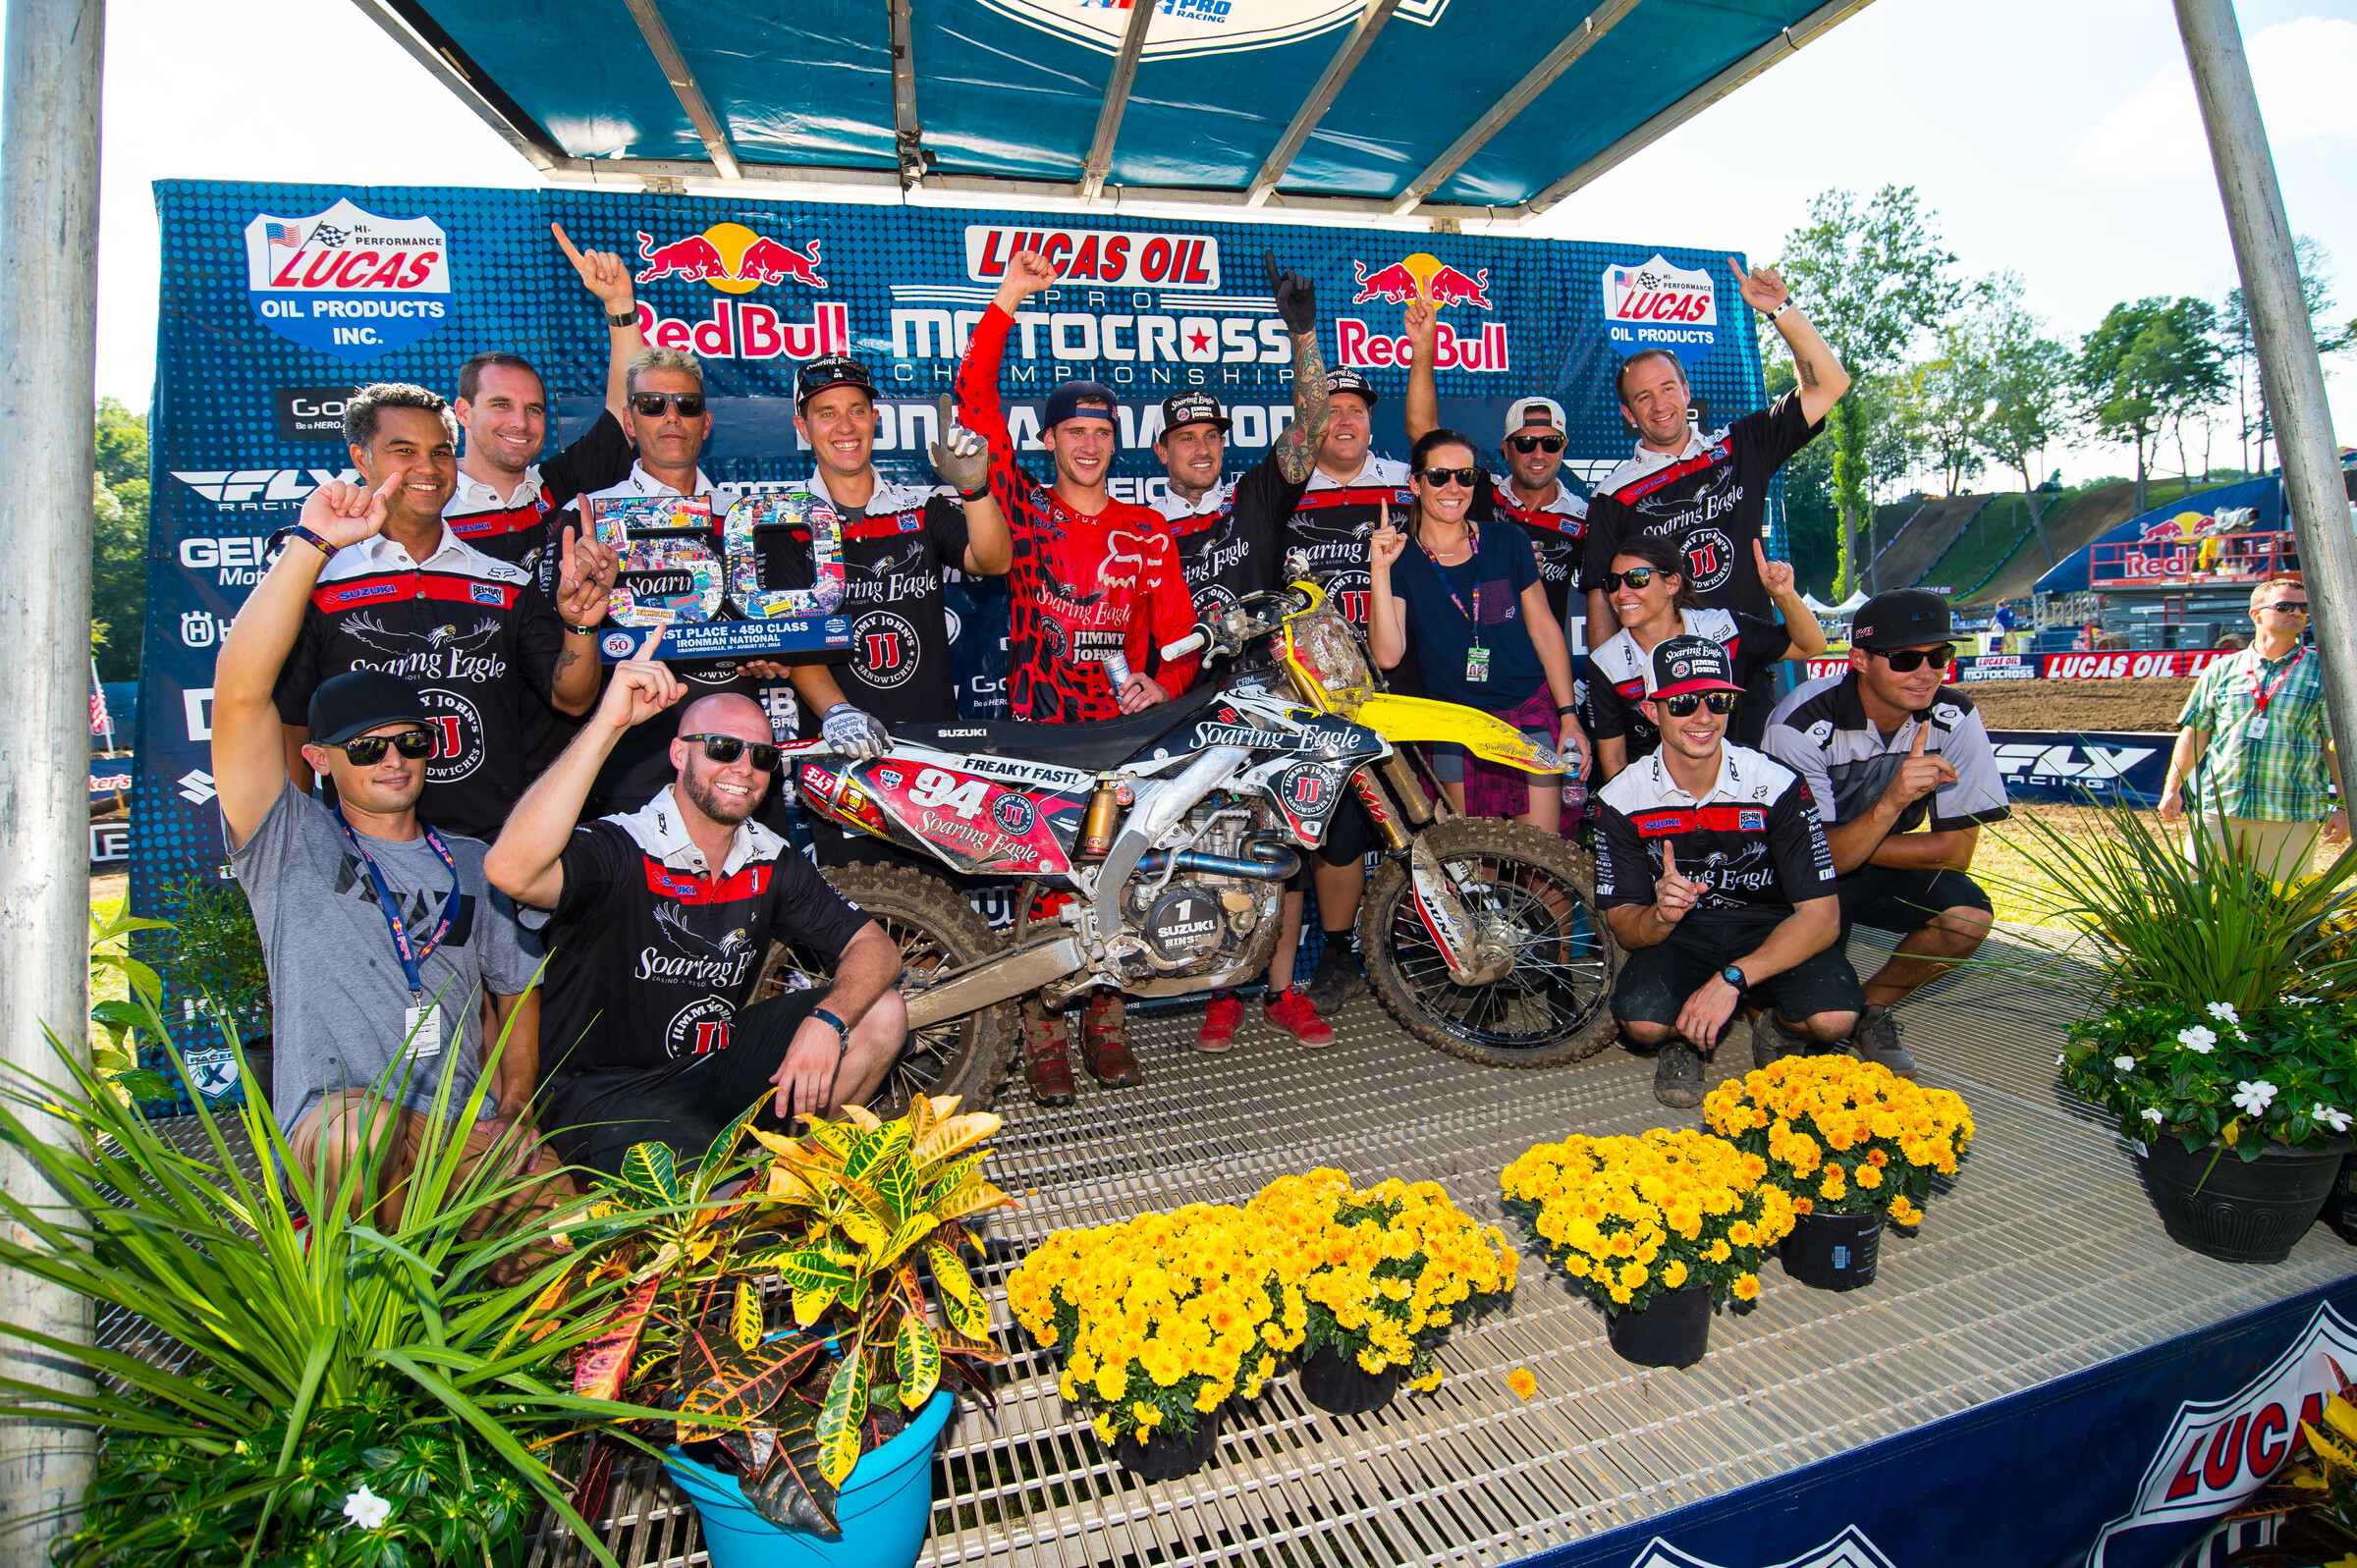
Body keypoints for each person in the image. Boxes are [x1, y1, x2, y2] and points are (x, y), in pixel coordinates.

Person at [213, 470, 561, 1241]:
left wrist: (517, 1104)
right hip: (339, 1124)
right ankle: (351, 1280)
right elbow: (239, 696)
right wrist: (310, 547)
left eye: (411, 741)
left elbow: (516, 989)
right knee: (360, 1133)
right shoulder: (290, 845)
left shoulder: (475, 862)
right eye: (366, 747)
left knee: (582, 1246)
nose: (394, 759)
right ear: (322, 758)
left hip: (458, 1134)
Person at [483, 638, 908, 1177]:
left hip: (713, 1071)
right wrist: (607, 726)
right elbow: (510, 870)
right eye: (724, 749)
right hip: (611, 1099)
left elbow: (875, 950)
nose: (744, 768)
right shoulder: (623, 846)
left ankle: (803, 1179)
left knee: (879, 1013)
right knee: (720, 1222)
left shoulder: (767, 856)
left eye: (761, 756)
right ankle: (736, 1192)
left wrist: (828, 1019)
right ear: (680, 753)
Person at [957, 248, 1202, 1104]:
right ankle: (1042, 1030)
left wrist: (1164, 690)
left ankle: (1106, 1018)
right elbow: (974, 405)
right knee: (1044, 883)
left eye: (1102, 432)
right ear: (1049, 439)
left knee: (1117, 879)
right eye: (1073, 432)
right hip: (1039, 732)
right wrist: (1007, 301)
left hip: (1124, 738)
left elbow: (1178, 641)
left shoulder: (1148, 530)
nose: (1089, 444)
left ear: (1114, 439)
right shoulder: (1022, 509)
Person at [571, 347, 904, 821]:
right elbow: (567, 694)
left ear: (705, 423)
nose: (671, 417)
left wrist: (775, 656)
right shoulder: (590, 519)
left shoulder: (746, 518)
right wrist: (579, 621)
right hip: (633, 775)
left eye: (686, 405)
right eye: (652, 405)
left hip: (743, 775)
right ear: (629, 419)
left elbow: (783, 634)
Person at [271, 383, 617, 840]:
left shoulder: (504, 581)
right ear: (361, 459)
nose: (428, 468)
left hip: (494, 850)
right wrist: (295, 849)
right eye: (403, 450)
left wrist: (578, 626)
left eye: (440, 452)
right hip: (373, 856)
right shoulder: (319, 583)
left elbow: (571, 700)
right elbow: (292, 728)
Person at [1148, 255, 1338, 1052]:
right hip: (1189, 710)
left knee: (1282, 847)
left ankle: (1282, 987)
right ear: (1162, 451)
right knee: (1203, 853)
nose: (1201, 447)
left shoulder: (1256, 496)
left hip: (1273, 699)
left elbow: (1314, 428)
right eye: (1186, 437)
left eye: (1212, 435)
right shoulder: (1142, 523)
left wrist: (1302, 334)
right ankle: (1220, 990)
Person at [1593, 635, 1863, 1108]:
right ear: (1651, 711)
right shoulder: (1619, 799)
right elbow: (1625, 929)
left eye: (1717, 700)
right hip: (1681, 936)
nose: (1702, 716)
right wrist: (1660, 915)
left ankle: (1776, 1028)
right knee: (1640, 1023)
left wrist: (1732, 980)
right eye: (1682, 703)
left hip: (1770, 929)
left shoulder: (1778, 784)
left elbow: (1822, 918)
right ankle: (1683, 1041)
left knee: (1836, 1019)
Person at [767, 354, 1011, 871]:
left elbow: (993, 560)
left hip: (932, 753)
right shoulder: (782, 526)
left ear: (876, 418)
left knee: (943, 920)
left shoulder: (920, 506)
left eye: (857, 410)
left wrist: (975, 488)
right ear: (801, 426)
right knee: (867, 913)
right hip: (846, 756)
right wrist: (837, 712)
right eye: (827, 413)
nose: (845, 426)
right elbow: (793, 643)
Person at [1763, 589, 2012, 1076]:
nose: (1925, 673)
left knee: (1967, 919)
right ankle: (1788, 1013)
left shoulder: (1954, 716)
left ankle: (1868, 1011)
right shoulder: (1799, 724)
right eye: (1904, 659)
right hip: (1795, 881)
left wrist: (1852, 846)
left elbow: (1956, 852)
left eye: (1939, 656)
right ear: (1858, 659)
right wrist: (1893, 802)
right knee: (1810, 1019)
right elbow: (1816, 862)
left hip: (1863, 862)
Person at [1578, 260, 1851, 678]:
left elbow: (1829, 385)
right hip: (1666, 683)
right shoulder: (1613, 495)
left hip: (1747, 665)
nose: (1660, 405)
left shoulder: (1741, 445)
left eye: (1668, 388)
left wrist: (1781, 310)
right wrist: (1613, 683)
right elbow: (1600, 594)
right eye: (1644, 397)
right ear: (1628, 413)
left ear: (1686, 390)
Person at [1277, 348, 1416, 1015]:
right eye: (1329, 411)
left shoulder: (1404, 484)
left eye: (1356, 411)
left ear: (1369, 423)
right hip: (1315, 693)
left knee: (1422, 814)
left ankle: (1422, 947)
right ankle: (1338, 952)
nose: (1343, 422)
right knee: (1336, 832)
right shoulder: (1286, 486)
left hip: (1403, 677)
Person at [1368, 429, 1589, 831]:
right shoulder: (1402, 560)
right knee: (1474, 867)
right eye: (1439, 476)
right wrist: (1379, 571)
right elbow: (1387, 655)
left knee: (1542, 863)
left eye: (1465, 476)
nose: (1453, 487)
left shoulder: (1507, 541)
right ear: (1415, 484)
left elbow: (1544, 630)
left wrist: (1569, 716)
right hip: (1455, 723)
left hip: (1527, 712)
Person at [443, 224, 646, 590]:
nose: (520, 422)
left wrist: (619, 306)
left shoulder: (559, 485)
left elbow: (623, 410)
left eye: (534, 409)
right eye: (501, 405)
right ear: (463, 411)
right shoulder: (430, 499)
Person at [1402, 307, 1589, 634]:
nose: (1539, 454)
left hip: (1541, 663)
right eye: (1526, 443)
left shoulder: (1584, 518)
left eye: (1551, 443)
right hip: (1472, 654)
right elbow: (1424, 433)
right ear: (1505, 447)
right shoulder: (1478, 491)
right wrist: (1423, 348)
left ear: (1565, 446)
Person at [2161, 573, 2347, 874]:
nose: (2297, 613)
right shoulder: (2221, 670)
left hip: (2289, 812)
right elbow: (2195, 734)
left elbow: (2333, 744)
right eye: (2286, 606)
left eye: (2303, 608)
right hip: (2220, 808)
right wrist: (2173, 788)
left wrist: (2343, 805)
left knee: (2277, 909)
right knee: (2199, 902)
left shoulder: (2323, 674)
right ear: (2256, 614)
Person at [1590, 536, 1827, 772]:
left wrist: (1784, 596)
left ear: (1672, 584)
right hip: (1653, 795)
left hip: (1734, 782)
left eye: (1636, 579)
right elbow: (1614, 760)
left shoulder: (1725, 629)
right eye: (1613, 582)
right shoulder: (1606, 662)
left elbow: (1811, 646)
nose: (1621, 593)